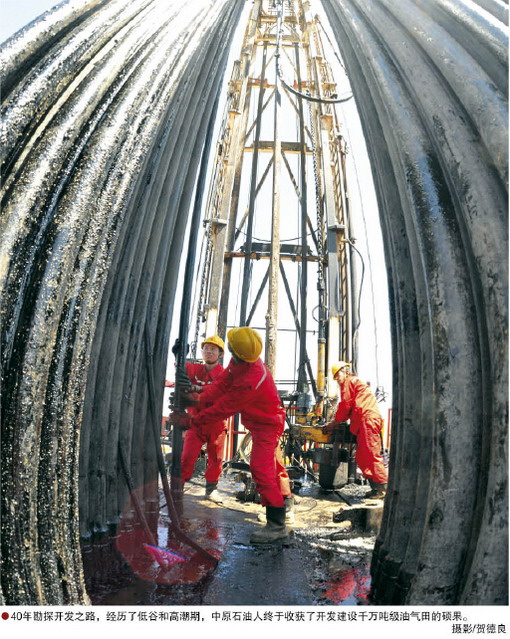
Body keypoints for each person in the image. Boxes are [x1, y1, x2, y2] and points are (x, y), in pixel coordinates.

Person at [174, 326, 293, 544]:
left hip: (267, 425)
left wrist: (192, 420)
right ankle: (282, 509)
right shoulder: (239, 362)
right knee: (269, 468)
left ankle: (278, 525)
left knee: (260, 469)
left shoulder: (252, 378)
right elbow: (222, 385)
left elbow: (224, 408)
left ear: (233, 350)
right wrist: (201, 395)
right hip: (257, 421)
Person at [324, 361, 388, 499]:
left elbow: (346, 405)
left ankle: (383, 489)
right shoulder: (353, 383)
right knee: (362, 457)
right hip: (363, 422)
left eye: (337, 375)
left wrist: (334, 423)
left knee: (371, 454)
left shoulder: (349, 382)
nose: (337, 379)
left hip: (368, 420)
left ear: (345, 371)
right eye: (334, 377)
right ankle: (376, 489)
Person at [180, 335, 227, 503]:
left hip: (216, 423)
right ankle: (178, 487)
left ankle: (211, 490)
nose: (209, 352)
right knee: (187, 456)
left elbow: (216, 392)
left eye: (213, 349)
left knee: (216, 459)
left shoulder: (223, 374)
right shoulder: (195, 369)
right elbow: (181, 369)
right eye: (206, 348)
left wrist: (197, 390)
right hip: (196, 422)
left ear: (220, 354)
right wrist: (178, 355)